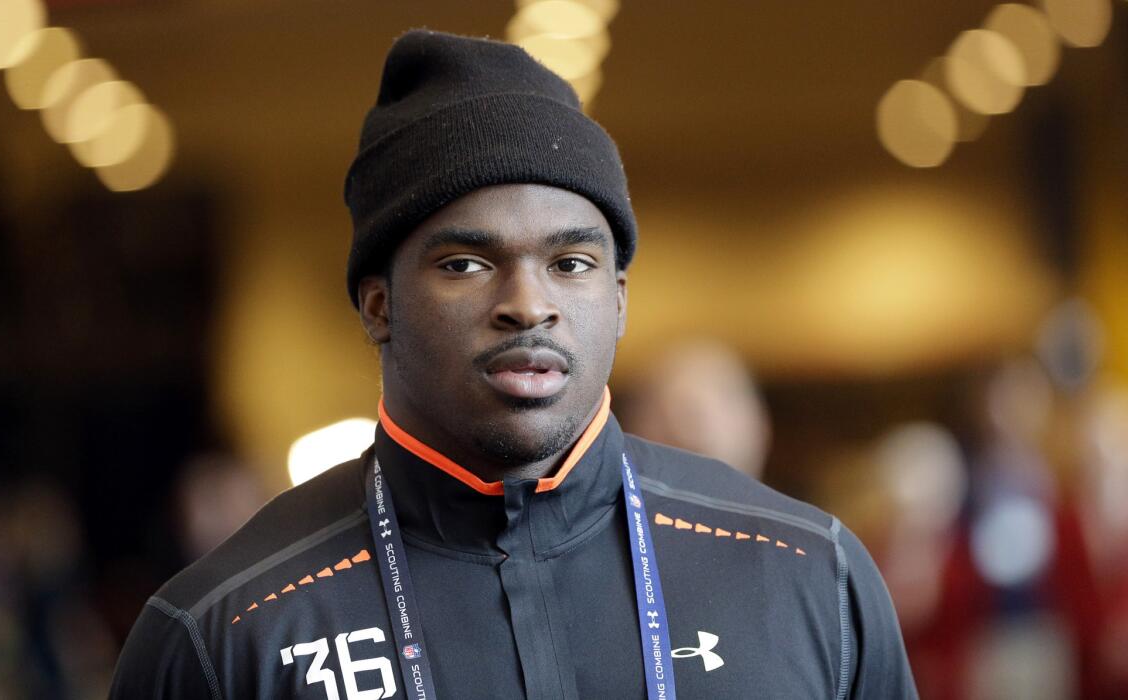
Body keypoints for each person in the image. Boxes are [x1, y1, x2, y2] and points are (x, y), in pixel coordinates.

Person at [110, 29, 915, 699]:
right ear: (376, 304)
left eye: (571, 263)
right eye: (465, 263)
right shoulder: (225, 631)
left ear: (621, 297)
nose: (528, 304)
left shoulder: (809, 574)